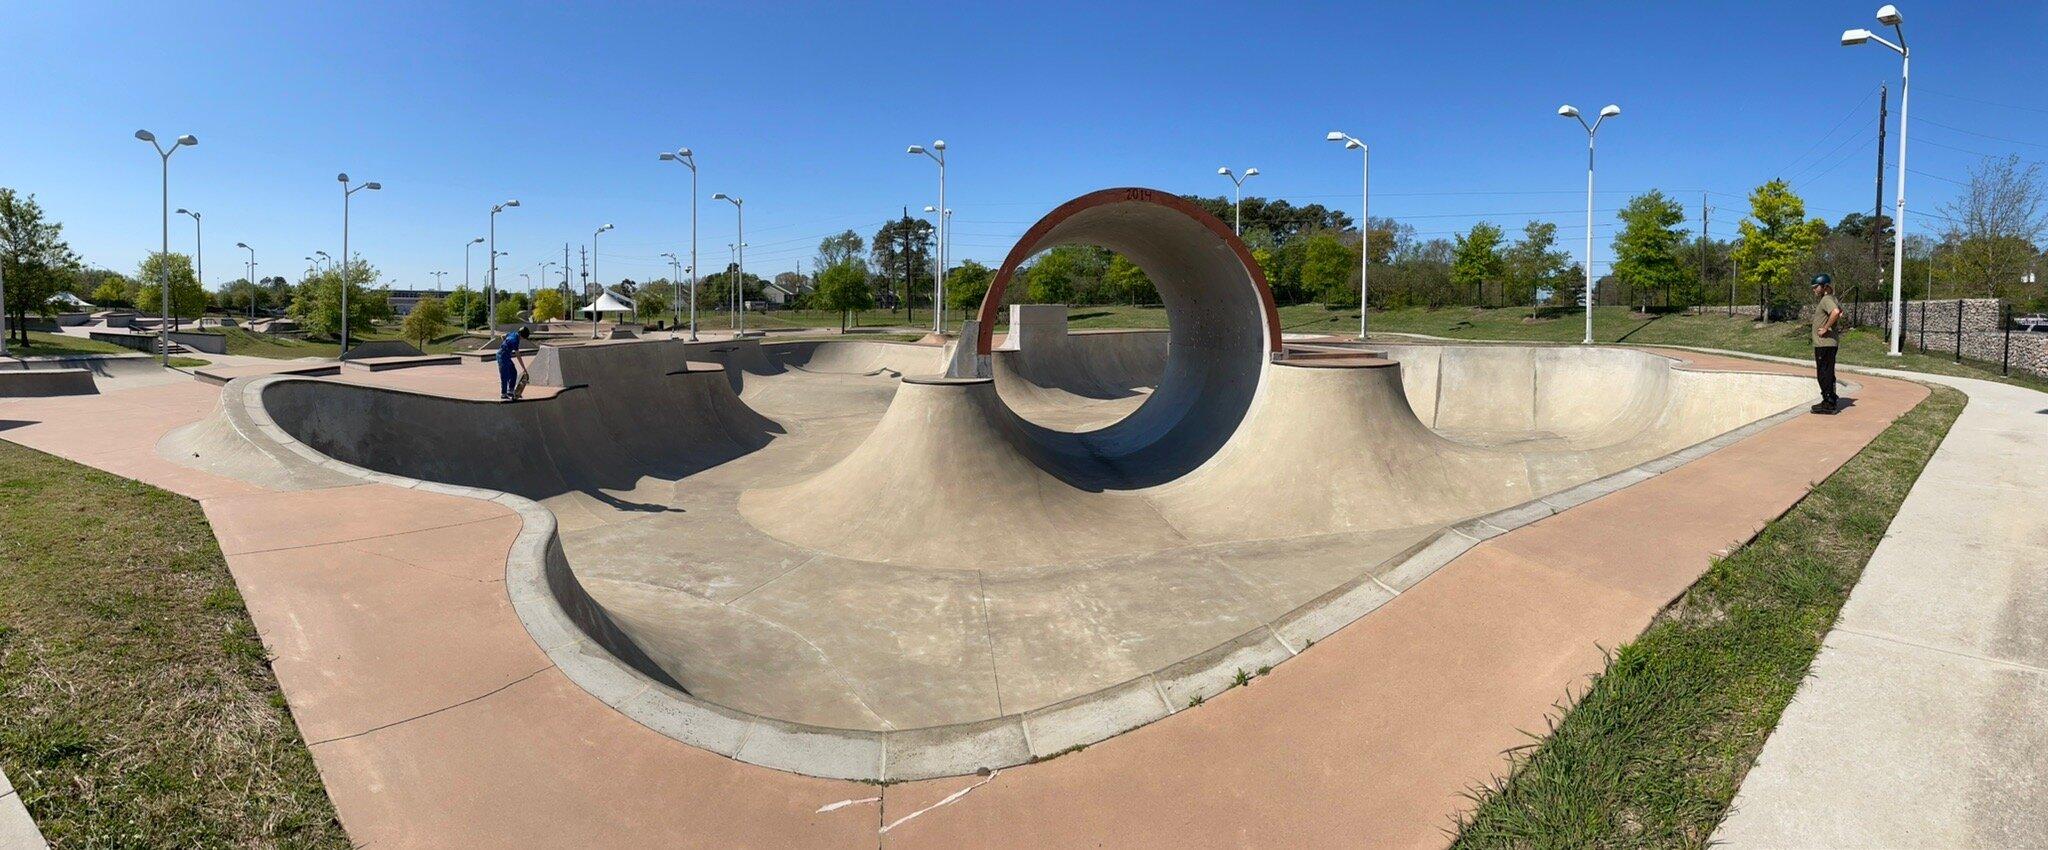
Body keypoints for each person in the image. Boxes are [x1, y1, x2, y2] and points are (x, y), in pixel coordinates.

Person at [1810, 274, 1843, 414]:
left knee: (1823, 373)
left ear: (1824, 286)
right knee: (1828, 372)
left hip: (1824, 344)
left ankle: (1828, 403)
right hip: (1829, 344)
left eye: (1815, 287)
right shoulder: (1832, 299)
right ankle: (1831, 399)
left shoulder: (1826, 299)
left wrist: (1826, 328)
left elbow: (1835, 312)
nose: (1814, 290)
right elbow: (1840, 312)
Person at [497, 327, 525, 400]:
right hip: (502, 355)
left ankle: (510, 391)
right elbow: (518, 355)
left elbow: (502, 336)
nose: (523, 339)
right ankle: (504, 394)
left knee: (513, 372)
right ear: (522, 335)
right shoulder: (515, 340)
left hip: (506, 355)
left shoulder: (513, 333)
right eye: (523, 337)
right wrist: (523, 368)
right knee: (505, 374)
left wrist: (506, 345)